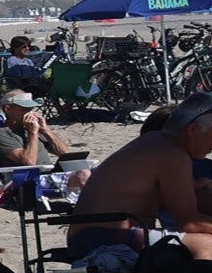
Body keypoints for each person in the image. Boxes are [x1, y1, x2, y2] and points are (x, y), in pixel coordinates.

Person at [69, 92, 212, 260]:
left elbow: (198, 200)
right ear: (193, 129)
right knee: (205, 244)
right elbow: (189, 223)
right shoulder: (171, 153)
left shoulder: (156, 142)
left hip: (89, 236)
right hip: (102, 238)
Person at [0, 90, 85, 167]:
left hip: (51, 173)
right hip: (32, 179)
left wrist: (46, 130)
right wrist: (32, 133)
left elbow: (65, 154)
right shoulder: (3, 134)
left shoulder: (33, 129)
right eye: (25, 109)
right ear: (8, 109)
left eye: (31, 109)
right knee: (84, 174)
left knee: (88, 171)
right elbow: (29, 162)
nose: (31, 113)